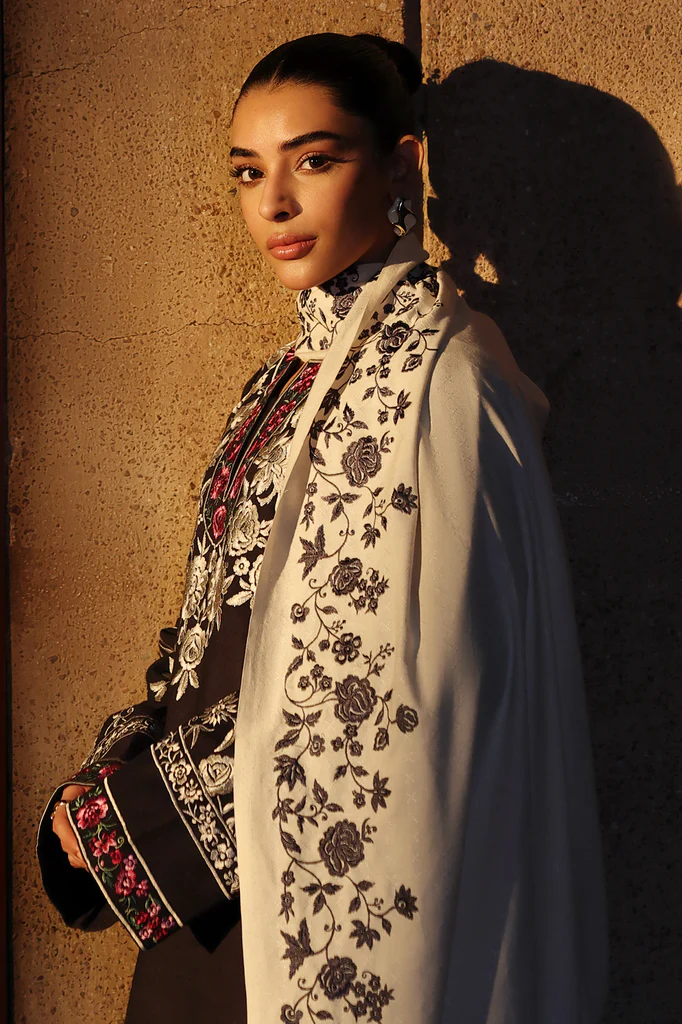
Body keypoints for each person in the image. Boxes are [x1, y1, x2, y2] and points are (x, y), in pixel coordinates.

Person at [36, 32, 609, 1024]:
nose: (273, 204)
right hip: (215, 900)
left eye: (312, 161)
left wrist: (140, 824)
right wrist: (108, 779)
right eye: (248, 172)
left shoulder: (443, 376)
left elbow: (402, 685)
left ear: (400, 167)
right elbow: (211, 627)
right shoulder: (281, 379)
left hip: (306, 884)